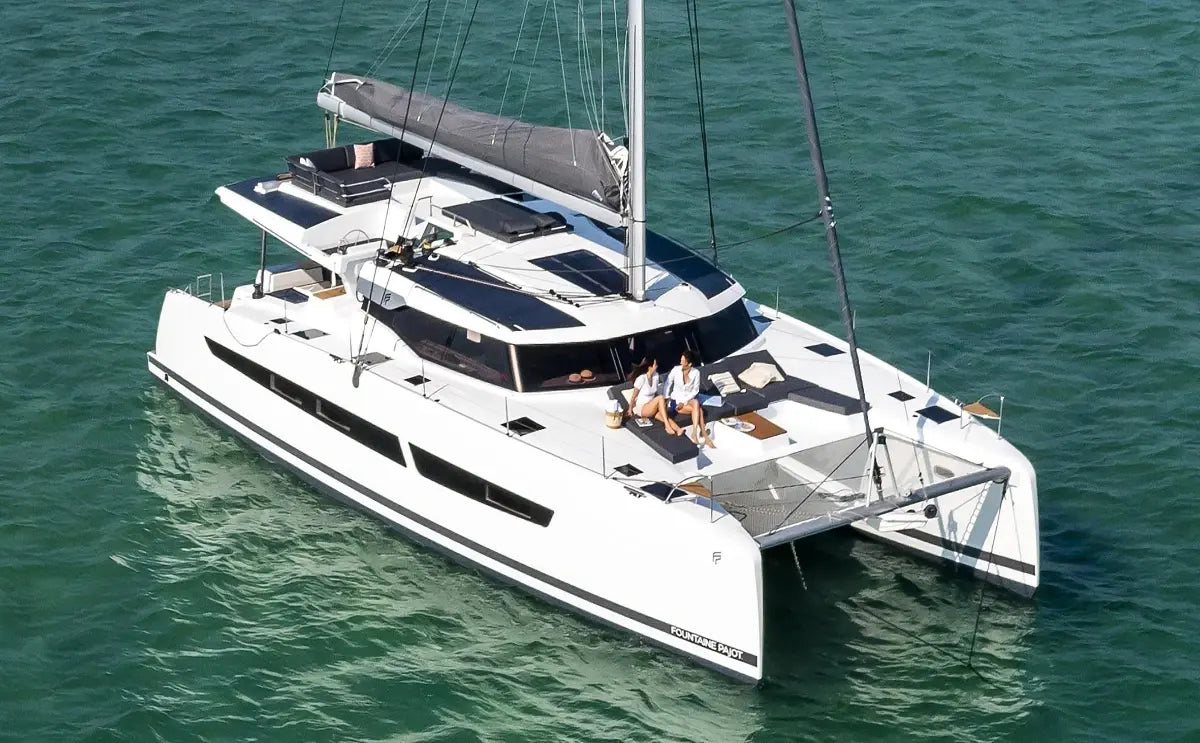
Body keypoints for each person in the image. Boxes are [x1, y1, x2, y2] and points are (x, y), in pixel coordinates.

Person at [664, 350, 715, 448]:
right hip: (675, 401)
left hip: (688, 400)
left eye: (683, 361)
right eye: (681, 360)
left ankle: (695, 433)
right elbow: (668, 383)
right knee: (698, 409)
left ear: (690, 364)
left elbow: (695, 391)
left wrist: (683, 402)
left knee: (695, 402)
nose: (680, 363)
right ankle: (702, 435)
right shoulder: (675, 370)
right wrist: (666, 398)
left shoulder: (696, 373)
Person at [626, 358, 682, 436]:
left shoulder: (656, 376)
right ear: (650, 367)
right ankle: (667, 426)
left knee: (664, 415)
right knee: (661, 397)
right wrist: (630, 409)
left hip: (652, 406)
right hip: (642, 408)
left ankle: (678, 430)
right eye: (655, 365)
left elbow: (655, 393)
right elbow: (634, 396)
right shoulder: (641, 378)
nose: (657, 366)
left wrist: (662, 404)